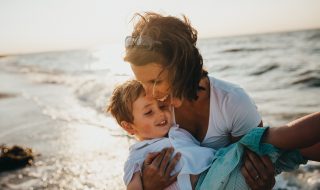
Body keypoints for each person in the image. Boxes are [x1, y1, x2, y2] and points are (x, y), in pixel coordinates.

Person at [123, 12, 274, 189]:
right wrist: (148, 185)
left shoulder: (233, 102)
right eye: (141, 82)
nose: (150, 93)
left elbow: (258, 170)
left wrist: (266, 182)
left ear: (182, 67)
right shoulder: (156, 108)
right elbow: (146, 154)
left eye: (156, 81)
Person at [106, 80, 320, 190]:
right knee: (272, 138)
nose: (161, 113)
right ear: (129, 127)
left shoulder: (177, 131)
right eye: (148, 112)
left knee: (292, 150)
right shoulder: (137, 156)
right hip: (208, 184)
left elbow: (211, 153)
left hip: (222, 171)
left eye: (162, 106)